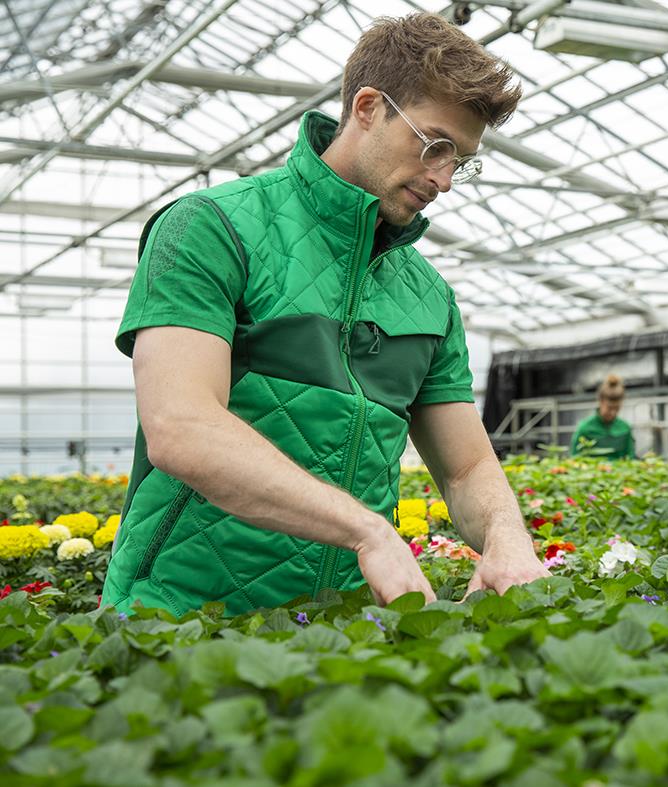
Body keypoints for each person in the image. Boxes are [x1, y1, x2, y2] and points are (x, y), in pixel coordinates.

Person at [102, 13, 548, 617]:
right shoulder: (213, 227)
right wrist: (366, 529)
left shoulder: (429, 296)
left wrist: (506, 536)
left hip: (341, 631)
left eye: (461, 161)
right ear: (368, 107)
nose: (444, 179)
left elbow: (466, 468)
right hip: (179, 620)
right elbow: (182, 427)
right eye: (435, 144)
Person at [570, 374, 635, 460]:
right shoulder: (585, 428)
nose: (613, 412)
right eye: (609, 408)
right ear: (600, 401)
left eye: (617, 408)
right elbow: (575, 457)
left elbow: (630, 457)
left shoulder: (625, 428)